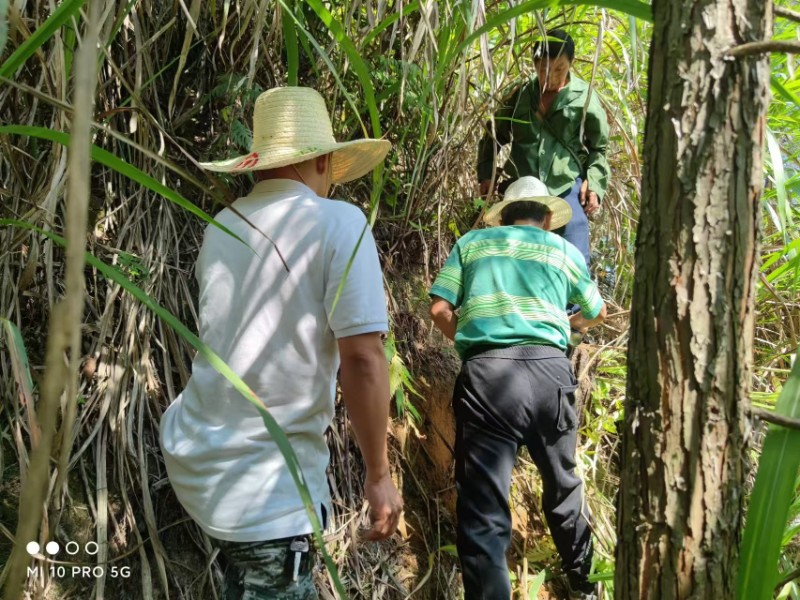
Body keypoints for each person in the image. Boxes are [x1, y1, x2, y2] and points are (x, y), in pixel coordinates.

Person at [160, 86, 403, 600]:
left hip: (202, 462)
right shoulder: (340, 223)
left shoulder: (222, 227)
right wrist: (378, 475)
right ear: (321, 160)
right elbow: (362, 359)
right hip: (269, 493)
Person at [429, 176, 607, 600]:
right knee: (563, 485)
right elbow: (595, 311)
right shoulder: (563, 250)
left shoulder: (472, 244)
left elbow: (438, 308)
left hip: (488, 380)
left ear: (502, 217)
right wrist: (569, 325)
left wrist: (475, 337)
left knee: (485, 510)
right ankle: (586, 585)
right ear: (547, 218)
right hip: (551, 373)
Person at [477, 29, 610, 268]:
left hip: (564, 183)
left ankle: (574, 304)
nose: (550, 77)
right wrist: (487, 174)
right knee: (514, 248)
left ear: (571, 64)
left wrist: (594, 184)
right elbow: (493, 134)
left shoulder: (585, 98)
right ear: (535, 64)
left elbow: (598, 148)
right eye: (543, 70)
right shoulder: (520, 95)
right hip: (521, 185)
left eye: (559, 69)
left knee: (574, 240)